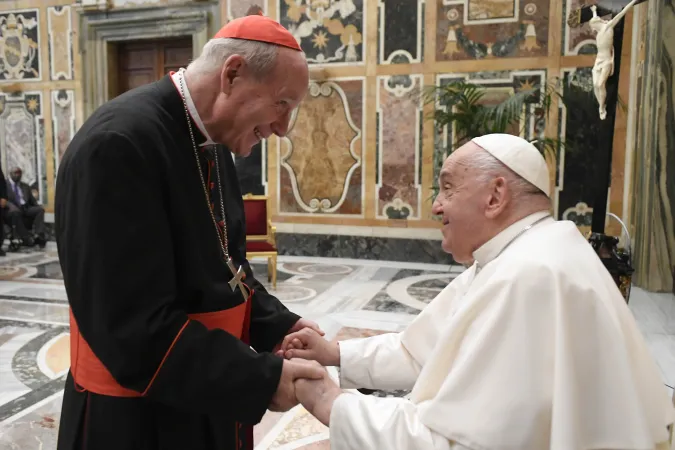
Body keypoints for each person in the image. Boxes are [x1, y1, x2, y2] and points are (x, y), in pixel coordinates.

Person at [280, 134, 675, 450]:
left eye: (447, 188)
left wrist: (328, 400)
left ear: (495, 196)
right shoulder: (518, 253)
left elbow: (454, 442)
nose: (436, 206)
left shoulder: (528, 277)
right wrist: (334, 353)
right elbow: (421, 351)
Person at [55, 13, 325, 450]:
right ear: (232, 73)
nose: (282, 129)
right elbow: (132, 328)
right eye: (282, 104)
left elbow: (226, 270)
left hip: (201, 397)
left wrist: (282, 327)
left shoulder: (213, 141)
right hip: (138, 420)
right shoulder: (118, 145)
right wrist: (261, 380)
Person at [5, 166, 47, 248]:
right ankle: (26, 238)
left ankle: (39, 234)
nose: (18, 175)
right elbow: (4, 200)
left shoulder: (25, 186)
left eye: (20, 173)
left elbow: (33, 201)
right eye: (16, 173)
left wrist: (38, 207)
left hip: (25, 208)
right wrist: (11, 206)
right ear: (10, 174)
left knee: (40, 210)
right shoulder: (5, 185)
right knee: (16, 213)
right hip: (12, 210)